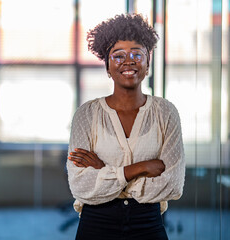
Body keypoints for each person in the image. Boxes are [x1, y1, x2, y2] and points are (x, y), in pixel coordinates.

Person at [66, 13, 185, 240]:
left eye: (136, 54)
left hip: (148, 223)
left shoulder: (166, 112)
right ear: (108, 67)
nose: (128, 61)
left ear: (148, 63)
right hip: (96, 223)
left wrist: (105, 172)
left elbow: (173, 185)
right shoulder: (87, 114)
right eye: (118, 55)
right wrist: (139, 168)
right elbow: (80, 185)